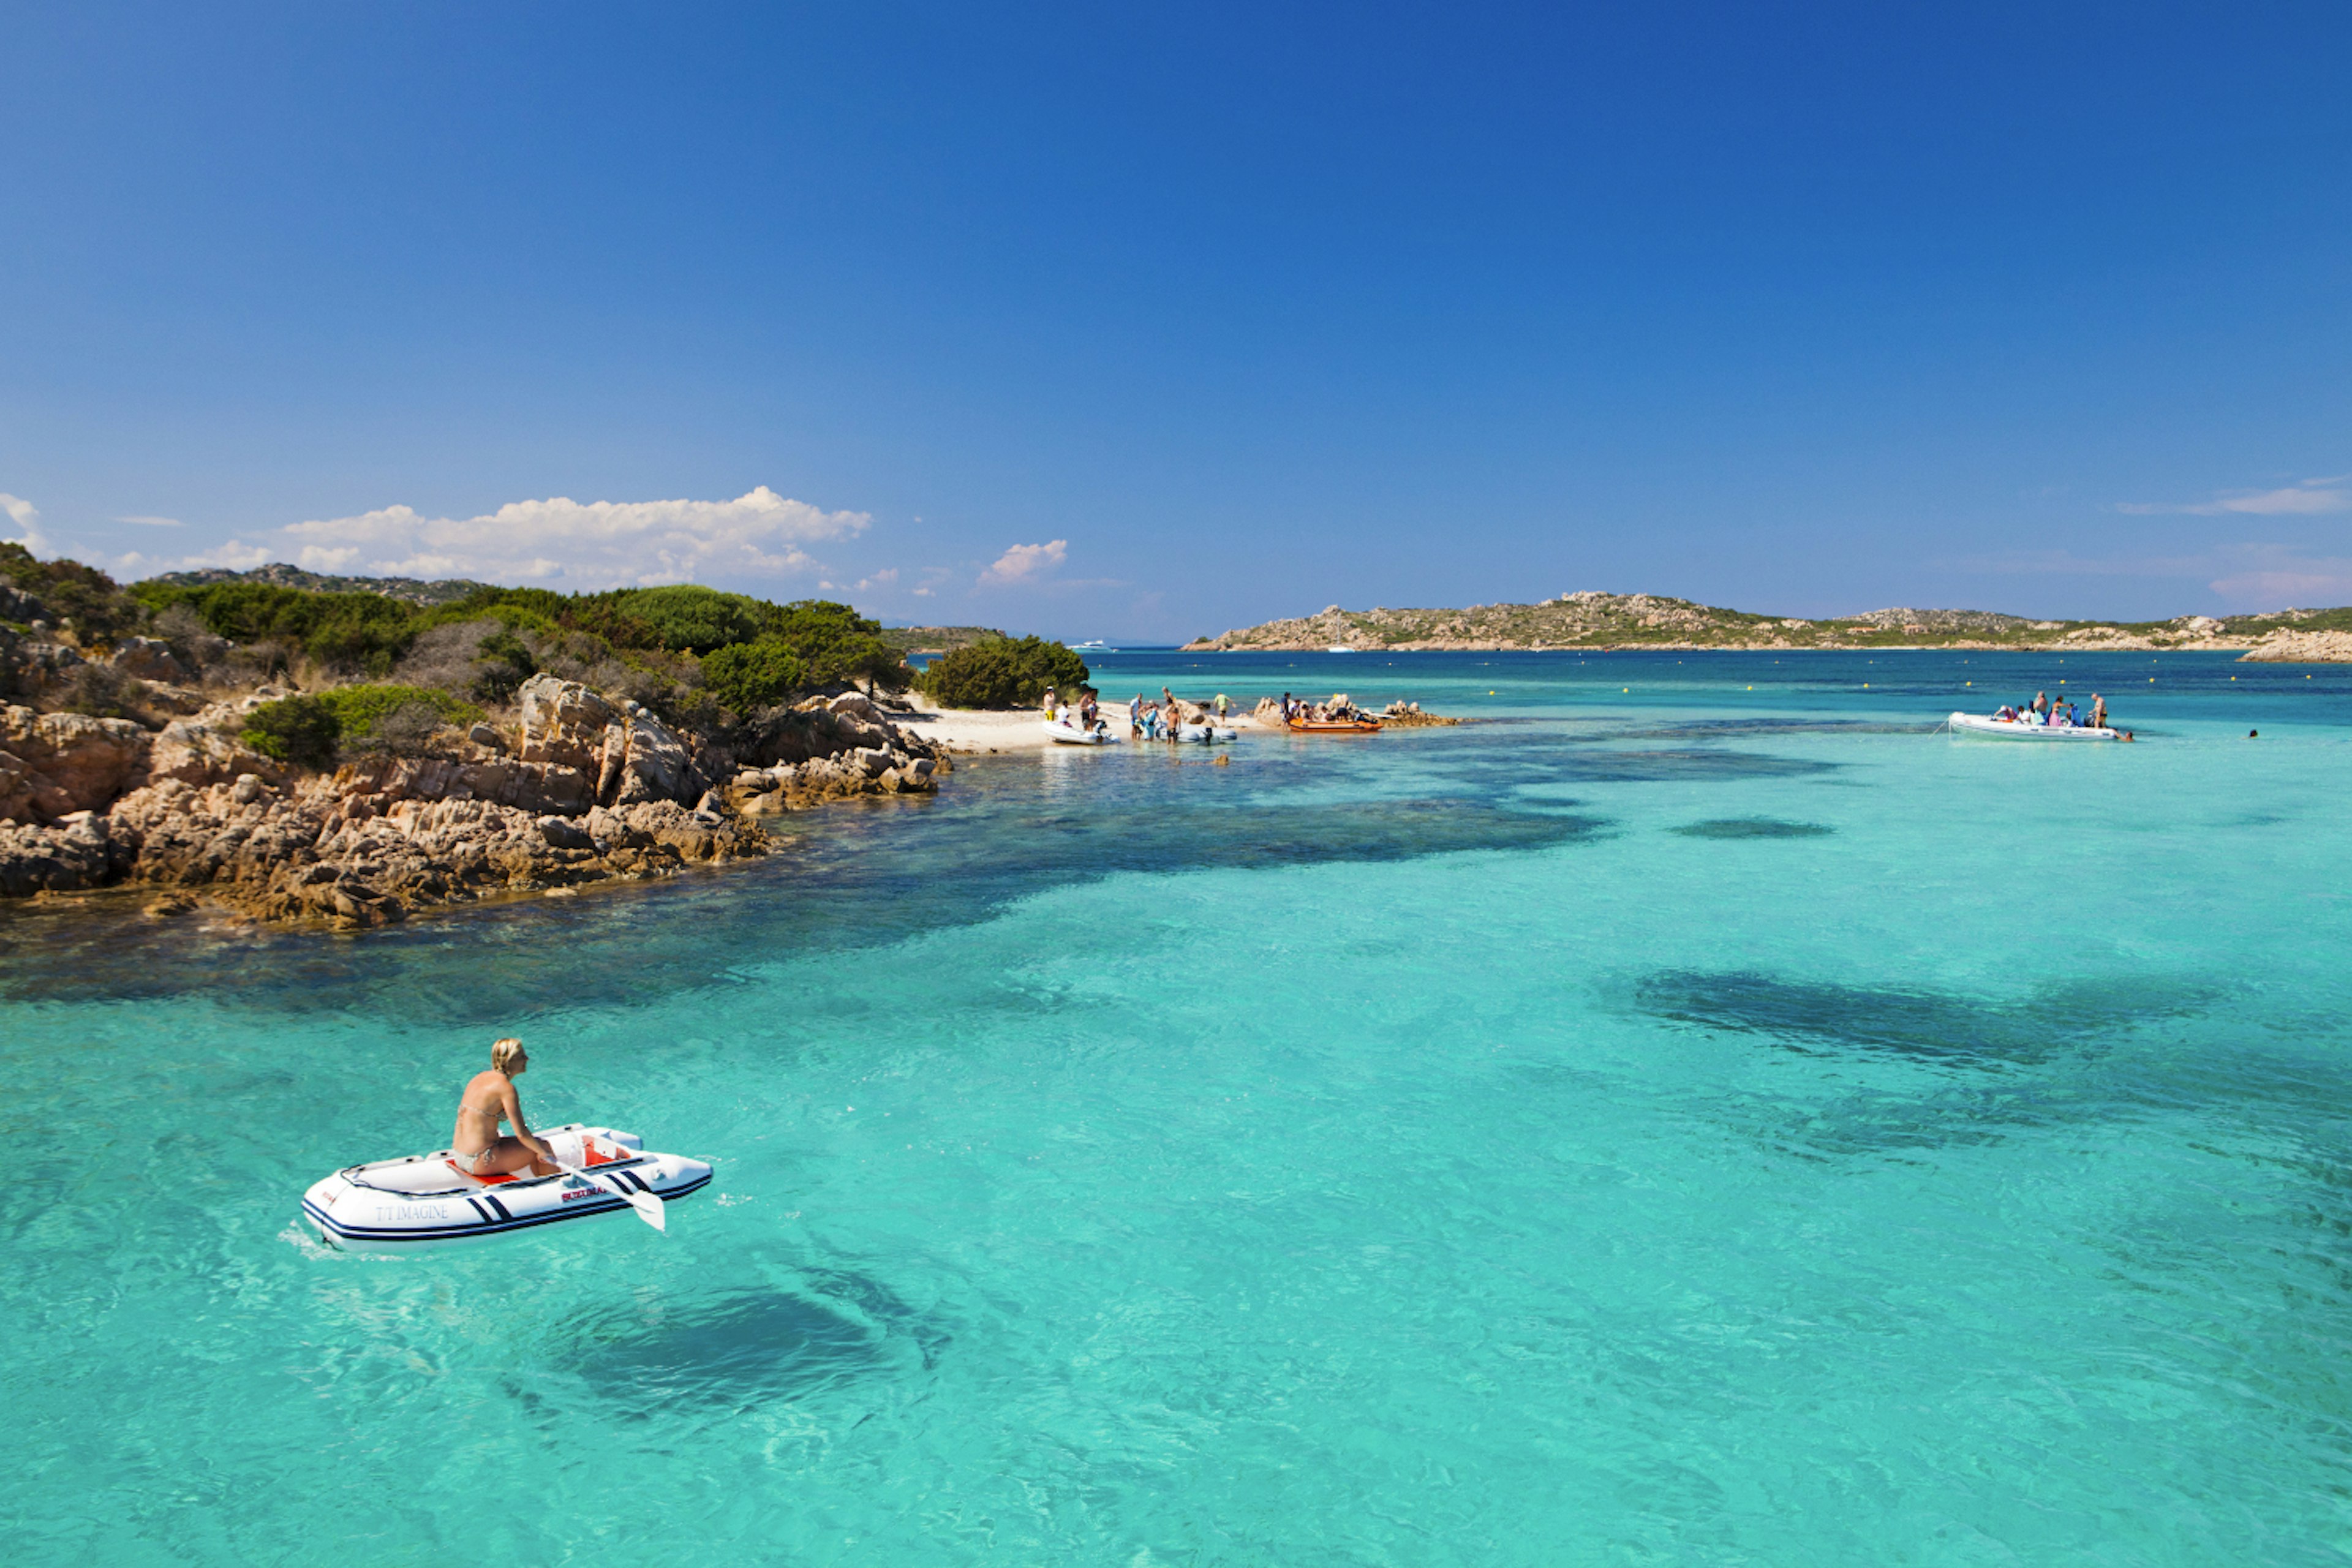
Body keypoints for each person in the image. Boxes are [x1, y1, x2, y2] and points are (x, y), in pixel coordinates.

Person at [453, 1037, 558, 1179]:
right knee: (543, 1147)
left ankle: (543, 1183)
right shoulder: (506, 1089)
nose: (527, 1059)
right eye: (521, 1056)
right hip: (479, 1160)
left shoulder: (480, 1078)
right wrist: (544, 1154)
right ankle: (556, 1189)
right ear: (510, 1060)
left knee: (536, 1144)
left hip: (460, 1155)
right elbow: (522, 1133)